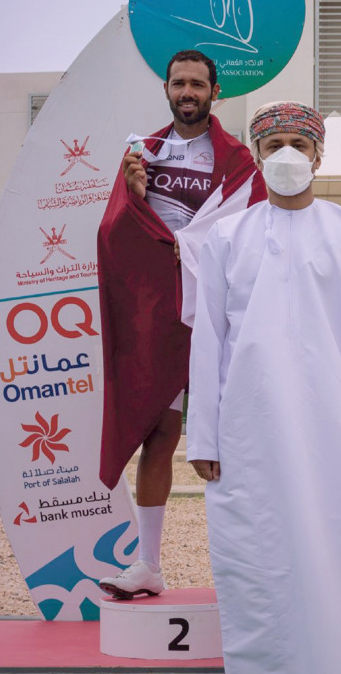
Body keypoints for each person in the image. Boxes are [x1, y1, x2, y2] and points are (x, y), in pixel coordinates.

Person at [186, 102, 341, 673]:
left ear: (319, 154)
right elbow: (208, 340)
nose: (286, 153)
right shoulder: (226, 237)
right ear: (258, 156)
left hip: (338, 429)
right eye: (273, 145)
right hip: (250, 430)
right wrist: (205, 439)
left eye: (299, 142)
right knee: (261, 557)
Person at [97, 50, 264, 599]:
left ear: (216, 92)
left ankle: (254, 566)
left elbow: (255, 228)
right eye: (178, 83)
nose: (187, 92)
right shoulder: (142, 152)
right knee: (159, 435)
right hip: (163, 314)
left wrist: (190, 251)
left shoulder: (239, 158)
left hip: (218, 308)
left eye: (197, 84)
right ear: (166, 90)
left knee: (240, 436)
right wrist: (135, 198)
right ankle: (147, 564)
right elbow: (114, 231)